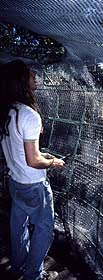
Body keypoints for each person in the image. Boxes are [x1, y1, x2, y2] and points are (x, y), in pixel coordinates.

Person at [0, 60, 64, 280]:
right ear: (21, 81)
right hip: (33, 185)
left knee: (18, 225)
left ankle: (17, 266)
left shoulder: (8, 112)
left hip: (15, 183)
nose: (35, 75)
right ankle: (33, 275)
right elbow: (33, 161)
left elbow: (21, 150)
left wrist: (43, 156)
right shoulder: (29, 114)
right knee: (45, 229)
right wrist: (53, 162)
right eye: (30, 73)